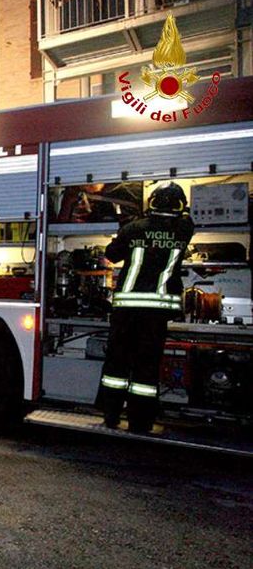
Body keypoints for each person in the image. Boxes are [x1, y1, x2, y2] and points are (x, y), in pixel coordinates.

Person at [95, 181, 194, 433]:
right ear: (181, 205)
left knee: (117, 362)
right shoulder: (184, 229)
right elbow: (184, 220)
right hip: (157, 312)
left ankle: (111, 414)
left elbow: (112, 255)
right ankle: (141, 421)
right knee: (147, 366)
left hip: (127, 309)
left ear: (152, 203)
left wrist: (125, 227)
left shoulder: (133, 228)